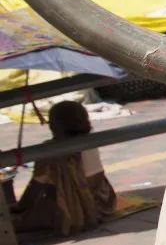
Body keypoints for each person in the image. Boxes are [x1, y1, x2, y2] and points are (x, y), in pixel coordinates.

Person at [13, 101, 117, 237]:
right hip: (104, 202)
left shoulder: (50, 150)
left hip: (75, 210)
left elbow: (36, 186)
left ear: (56, 125)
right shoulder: (91, 140)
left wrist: (20, 208)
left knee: (18, 222)